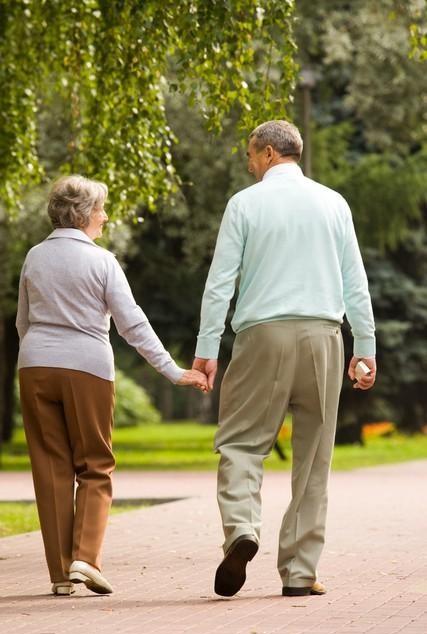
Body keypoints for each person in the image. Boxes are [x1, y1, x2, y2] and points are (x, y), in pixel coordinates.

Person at [192, 120, 376, 598]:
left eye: (251, 155)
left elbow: (220, 284)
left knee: (240, 444)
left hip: (261, 337)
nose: (249, 164)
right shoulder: (334, 203)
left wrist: (206, 350)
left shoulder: (245, 204)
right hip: (324, 338)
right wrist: (366, 349)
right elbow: (355, 282)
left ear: (270, 153)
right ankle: (299, 572)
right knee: (314, 459)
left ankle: (241, 530)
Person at [16, 175, 207, 597]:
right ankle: (86, 557)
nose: (105, 216)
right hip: (86, 367)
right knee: (95, 465)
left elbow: (22, 322)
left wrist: (32, 358)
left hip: (35, 367)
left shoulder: (34, 256)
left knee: (50, 470)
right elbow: (132, 324)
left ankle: (61, 574)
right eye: (100, 209)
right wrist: (173, 372)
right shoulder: (102, 262)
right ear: (83, 215)